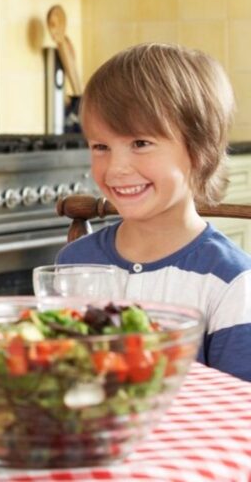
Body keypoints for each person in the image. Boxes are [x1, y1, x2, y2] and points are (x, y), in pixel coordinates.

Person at [57, 43, 251, 382]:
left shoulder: (230, 281)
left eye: (140, 143)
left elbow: (240, 402)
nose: (115, 168)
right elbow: (55, 369)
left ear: (200, 150)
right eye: (101, 147)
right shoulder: (76, 262)